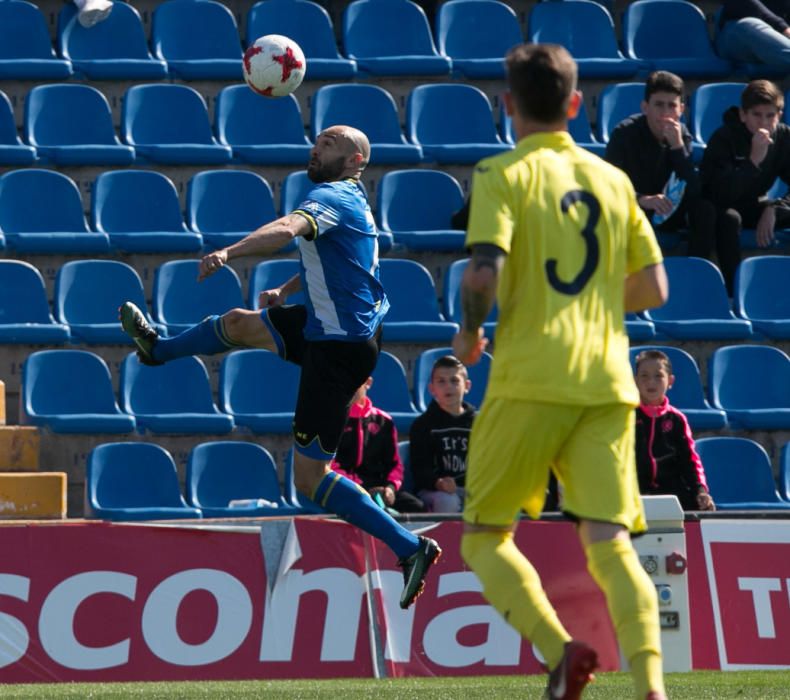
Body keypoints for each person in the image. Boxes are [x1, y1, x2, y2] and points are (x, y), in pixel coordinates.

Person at [119, 125, 441, 610]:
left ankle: (409, 546)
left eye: (329, 143)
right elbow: (336, 260)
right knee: (239, 323)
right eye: (316, 141)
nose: (316, 147)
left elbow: (290, 229)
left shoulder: (333, 196)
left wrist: (229, 252)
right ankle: (157, 349)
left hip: (336, 349)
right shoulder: (349, 201)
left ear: (355, 160)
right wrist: (288, 292)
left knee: (311, 481)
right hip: (330, 327)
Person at [452, 43, 669, 700]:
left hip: (528, 381)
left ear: (507, 105)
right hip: (605, 384)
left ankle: (561, 652)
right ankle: (654, 688)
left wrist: (468, 333)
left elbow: (485, 269)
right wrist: (596, 300)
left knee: (484, 538)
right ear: (576, 105)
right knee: (611, 544)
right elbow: (655, 285)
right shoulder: (612, 180)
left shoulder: (501, 173)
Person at [605, 71, 722, 268]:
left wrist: (677, 148)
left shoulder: (681, 135)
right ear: (645, 107)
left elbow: (694, 190)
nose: (665, 113)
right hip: (635, 207)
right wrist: (642, 199)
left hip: (668, 209)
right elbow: (608, 186)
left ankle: (694, 271)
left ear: (681, 110)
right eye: (659, 105)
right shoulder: (624, 134)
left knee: (705, 210)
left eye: (672, 106)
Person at [700, 79, 790, 291]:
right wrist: (753, 161)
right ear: (743, 115)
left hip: (755, 205)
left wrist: (775, 208)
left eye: (770, 116)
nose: (764, 122)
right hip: (721, 206)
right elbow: (719, 194)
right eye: (757, 115)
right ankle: (733, 290)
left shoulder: (784, 137)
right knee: (729, 218)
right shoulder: (724, 138)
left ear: (780, 115)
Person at [634, 350, 716, 512]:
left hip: (671, 494)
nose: (651, 382)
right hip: (634, 493)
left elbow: (689, 460)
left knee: (701, 507)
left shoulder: (677, 419)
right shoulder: (625, 415)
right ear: (635, 381)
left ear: (670, 381)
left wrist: (701, 490)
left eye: (658, 376)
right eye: (644, 376)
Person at [332, 377, 425, 514]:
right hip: (347, 489)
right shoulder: (333, 420)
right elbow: (330, 466)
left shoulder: (384, 421)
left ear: (368, 382)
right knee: (370, 509)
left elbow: (394, 465)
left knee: (417, 508)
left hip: (380, 490)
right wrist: (361, 488)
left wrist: (390, 488)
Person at [409, 355, 475, 513]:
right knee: (447, 501)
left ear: (466, 386)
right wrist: (439, 483)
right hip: (435, 491)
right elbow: (420, 470)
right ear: (432, 389)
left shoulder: (481, 424)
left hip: (473, 490)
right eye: (441, 381)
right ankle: (448, 539)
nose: (448, 386)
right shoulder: (422, 425)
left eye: (454, 381)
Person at [716, 1, 790, 71]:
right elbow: (747, 5)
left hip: (779, 37)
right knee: (751, 24)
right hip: (736, 32)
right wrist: (783, 27)